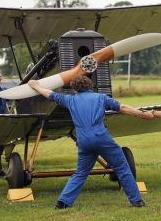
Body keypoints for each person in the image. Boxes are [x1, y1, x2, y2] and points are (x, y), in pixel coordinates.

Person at [28, 76, 153, 209]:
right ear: (90, 86)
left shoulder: (70, 100)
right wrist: (141, 114)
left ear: (75, 89)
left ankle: (63, 202)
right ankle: (137, 201)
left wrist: (35, 85)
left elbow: (50, 94)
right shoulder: (101, 97)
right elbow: (122, 107)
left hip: (83, 141)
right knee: (122, 167)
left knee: (81, 173)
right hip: (101, 138)